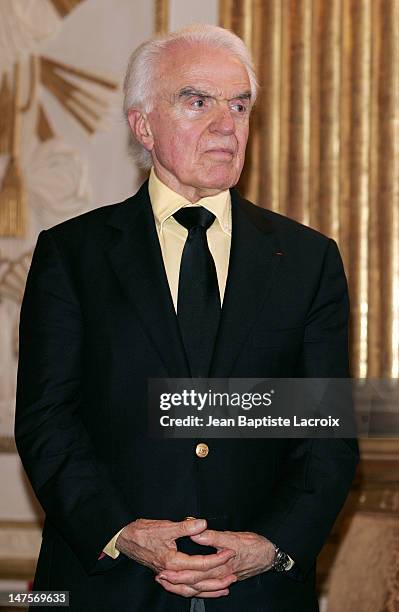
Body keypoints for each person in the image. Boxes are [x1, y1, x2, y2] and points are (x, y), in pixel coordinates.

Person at [15, 24, 358, 612]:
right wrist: (122, 533)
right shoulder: (72, 254)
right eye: (197, 100)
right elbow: (47, 420)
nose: (227, 123)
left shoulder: (307, 259)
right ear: (143, 125)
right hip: (106, 587)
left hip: (258, 590)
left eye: (240, 104)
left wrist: (271, 546)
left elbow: (326, 435)